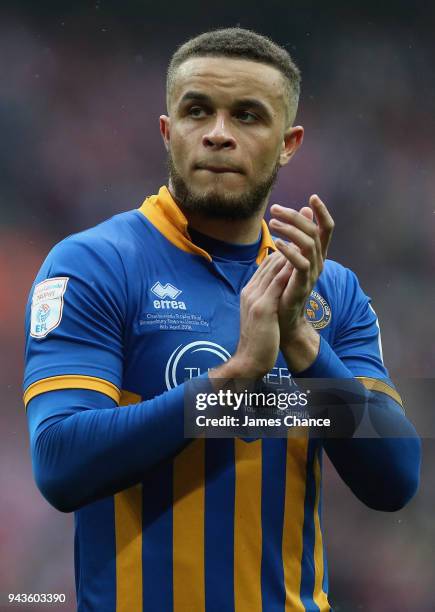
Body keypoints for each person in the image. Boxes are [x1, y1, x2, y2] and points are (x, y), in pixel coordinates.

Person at [24, 27, 421, 612]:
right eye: (197, 111)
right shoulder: (94, 265)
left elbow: (395, 479)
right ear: (168, 130)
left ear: (289, 143)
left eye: (248, 116)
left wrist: (303, 343)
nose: (218, 134)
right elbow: (59, 461)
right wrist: (230, 384)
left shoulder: (330, 291)